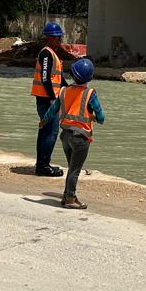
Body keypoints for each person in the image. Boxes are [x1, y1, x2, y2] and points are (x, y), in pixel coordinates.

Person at [40, 57, 105, 209]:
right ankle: (70, 198)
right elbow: (101, 116)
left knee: (72, 167)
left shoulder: (64, 91)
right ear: (90, 77)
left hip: (65, 136)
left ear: (73, 76)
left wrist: (43, 121)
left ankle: (66, 195)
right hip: (80, 138)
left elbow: (52, 110)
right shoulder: (90, 94)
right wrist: (96, 118)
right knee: (75, 169)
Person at [30, 21, 68, 177]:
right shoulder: (46, 53)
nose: (59, 40)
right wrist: (53, 99)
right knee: (50, 133)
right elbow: (45, 79)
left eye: (60, 38)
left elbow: (57, 78)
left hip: (47, 100)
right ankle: (44, 166)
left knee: (45, 132)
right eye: (57, 38)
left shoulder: (52, 54)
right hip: (47, 101)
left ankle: (41, 164)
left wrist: (71, 88)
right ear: (49, 38)